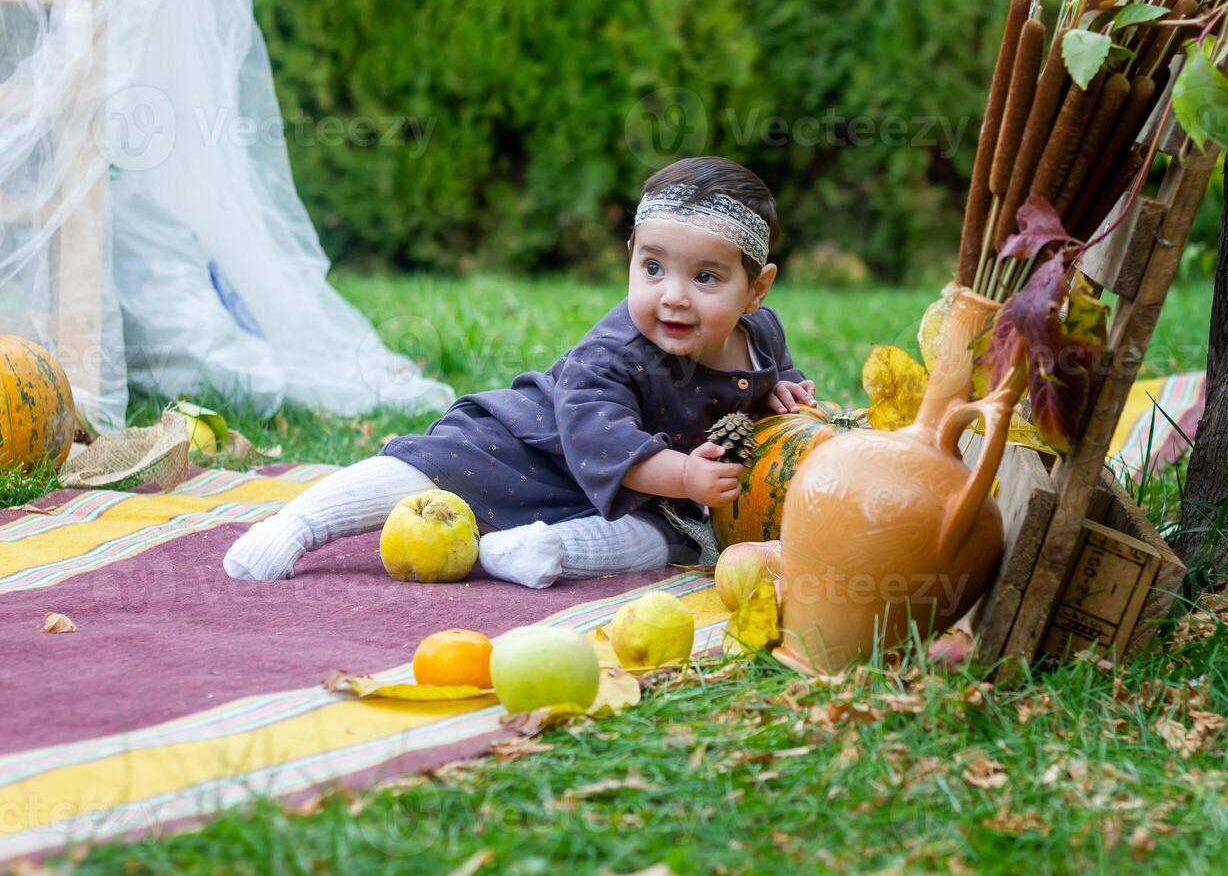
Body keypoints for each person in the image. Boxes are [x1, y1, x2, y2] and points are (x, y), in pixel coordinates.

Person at [222, 156, 816, 586]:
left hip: (634, 501)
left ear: (756, 289)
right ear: (631, 258)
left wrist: (780, 383)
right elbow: (603, 439)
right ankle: (301, 523)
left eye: (705, 277)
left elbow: (772, 362)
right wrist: (686, 477)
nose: (674, 297)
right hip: (524, 447)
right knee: (429, 476)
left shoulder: (760, 333)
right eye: (653, 268)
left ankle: (538, 549)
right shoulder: (608, 358)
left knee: (665, 543)